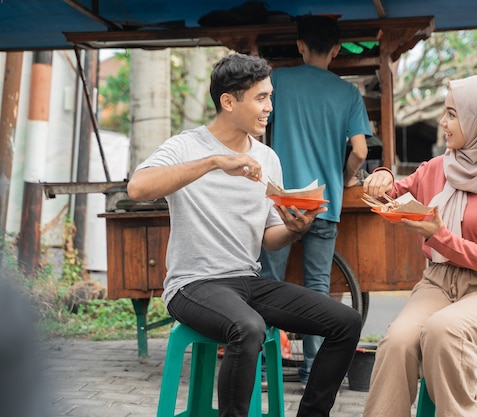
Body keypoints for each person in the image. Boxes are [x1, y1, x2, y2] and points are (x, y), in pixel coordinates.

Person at [126, 53, 361, 417]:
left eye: (270, 96)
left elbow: (269, 237)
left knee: (345, 322)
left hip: (248, 282)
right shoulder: (187, 146)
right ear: (229, 101)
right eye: (261, 98)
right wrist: (214, 162)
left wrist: (295, 230)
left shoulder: (268, 158)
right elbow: (138, 188)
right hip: (192, 285)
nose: (270, 107)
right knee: (247, 327)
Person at [361, 74, 477, 417]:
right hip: (439, 283)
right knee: (398, 341)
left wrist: (441, 236)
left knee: (444, 330)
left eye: (451, 114)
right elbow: (394, 194)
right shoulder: (439, 167)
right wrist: (383, 175)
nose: (442, 122)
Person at [258, 14, 371, 387]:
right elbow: (359, 149)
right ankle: (313, 372)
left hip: (281, 203)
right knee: (318, 289)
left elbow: (258, 122)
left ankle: (264, 368)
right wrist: (341, 180)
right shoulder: (349, 93)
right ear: (337, 50)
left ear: (300, 46)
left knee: (269, 285)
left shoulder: (280, 80)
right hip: (325, 204)